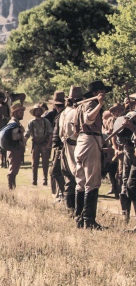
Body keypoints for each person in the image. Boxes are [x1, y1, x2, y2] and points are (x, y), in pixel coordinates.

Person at [73, 80, 112, 229]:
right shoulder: (92, 104)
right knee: (92, 181)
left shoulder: (80, 105)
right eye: (102, 91)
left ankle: (80, 219)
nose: (104, 94)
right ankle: (89, 221)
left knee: (81, 181)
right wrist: (100, 105)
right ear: (95, 93)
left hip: (82, 141)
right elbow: (88, 120)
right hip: (90, 140)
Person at [58, 86, 84, 215]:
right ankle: (78, 212)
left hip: (65, 147)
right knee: (79, 179)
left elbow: (60, 133)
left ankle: (70, 210)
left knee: (69, 180)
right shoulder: (77, 112)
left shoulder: (63, 112)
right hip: (75, 147)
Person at [113, 95, 136, 222]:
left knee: (132, 185)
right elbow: (119, 137)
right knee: (125, 184)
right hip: (128, 151)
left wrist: (132, 127)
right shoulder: (126, 115)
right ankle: (125, 216)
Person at [44, 90, 66, 198]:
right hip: (61, 146)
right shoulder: (60, 114)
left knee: (55, 172)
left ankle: (65, 194)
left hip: (61, 147)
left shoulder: (61, 115)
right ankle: (62, 193)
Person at [27, 105, 53, 186]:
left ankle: (45, 179)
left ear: (41, 112)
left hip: (44, 143)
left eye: (39, 110)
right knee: (35, 163)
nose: (38, 112)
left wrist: (48, 144)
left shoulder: (46, 121)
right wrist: (24, 141)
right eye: (36, 110)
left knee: (45, 163)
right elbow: (27, 133)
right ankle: (34, 180)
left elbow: (50, 134)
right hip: (36, 144)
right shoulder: (31, 122)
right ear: (34, 112)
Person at [6, 103, 27, 189]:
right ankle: (11, 189)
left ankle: (12, 188)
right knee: (13, 170)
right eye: (20, 112)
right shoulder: (13, 123)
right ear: (14, 113)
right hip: (14, 148)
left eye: (22, 112)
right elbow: (14, 137)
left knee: (14, 170)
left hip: (16, 148)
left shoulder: (15, 123)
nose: (22, 114)